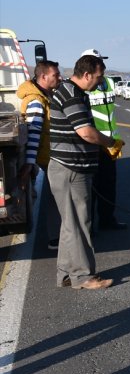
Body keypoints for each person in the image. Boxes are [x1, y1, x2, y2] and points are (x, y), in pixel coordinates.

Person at [48, 54, 124, 290]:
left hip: (69, 168)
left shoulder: (72, 92)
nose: (100, 82)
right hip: (71, 170)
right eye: (99, 77)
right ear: (87, 74)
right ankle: (83, 276)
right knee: (80, 223)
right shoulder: (72, 94)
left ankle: (66, 273)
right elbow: (86, 132)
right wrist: (109, 142)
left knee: (70, 224)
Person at [16, 60, 62, 249]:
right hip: (44, 157)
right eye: (55, 75)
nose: (59, 77)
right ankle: (55, 238)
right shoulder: (36, 101)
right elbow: (34, 134)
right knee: (55, 197)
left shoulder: (44, 95)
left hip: (44, 156)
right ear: (43, 77)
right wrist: (29, 163)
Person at [82, 49, 127, 231]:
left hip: (110, 144)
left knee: (109, 185)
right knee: (92, 187)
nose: (101, 64)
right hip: (93, 143)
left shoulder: (108, 82)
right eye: (97, 61)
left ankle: (108, 219)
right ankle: (90, 224)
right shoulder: (84, 87)